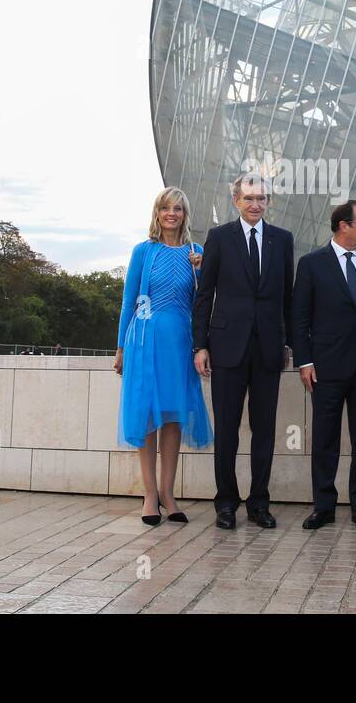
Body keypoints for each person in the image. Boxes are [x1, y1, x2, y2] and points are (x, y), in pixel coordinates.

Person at [192, 172, 294, 530]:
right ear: (236, 201)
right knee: (228, 431)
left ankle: (259, 503)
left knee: (264, 430)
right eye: (248, 198)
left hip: (268, 348)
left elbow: (288, 297)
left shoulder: (283, 240)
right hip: (226, 347)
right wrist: (200, 345)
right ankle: (225, 503)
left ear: (269, 202)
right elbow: (205, 295)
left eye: (261, 199)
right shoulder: (220, 238)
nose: (255, 204)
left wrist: (289, 343)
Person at [115, 187, 213, 526]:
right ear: (157, 213)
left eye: (178, 208)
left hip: (180, 342)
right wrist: (120, 347)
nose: (172, 213)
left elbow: (205, 302)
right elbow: (129, 300)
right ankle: (149, 495)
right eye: (165, 208)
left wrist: (201, 270)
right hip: (144, 340)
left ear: (185, 214)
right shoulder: (144, 251)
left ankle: (169, 495)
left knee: (173, 418)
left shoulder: (197, 252)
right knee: (146, 417)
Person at [292, 200, 356, 532]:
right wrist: (304, 361)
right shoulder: (311, 264)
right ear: (343, 226)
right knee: (324, 440)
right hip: (325, 368)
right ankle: (324, 507)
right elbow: (299, 318)